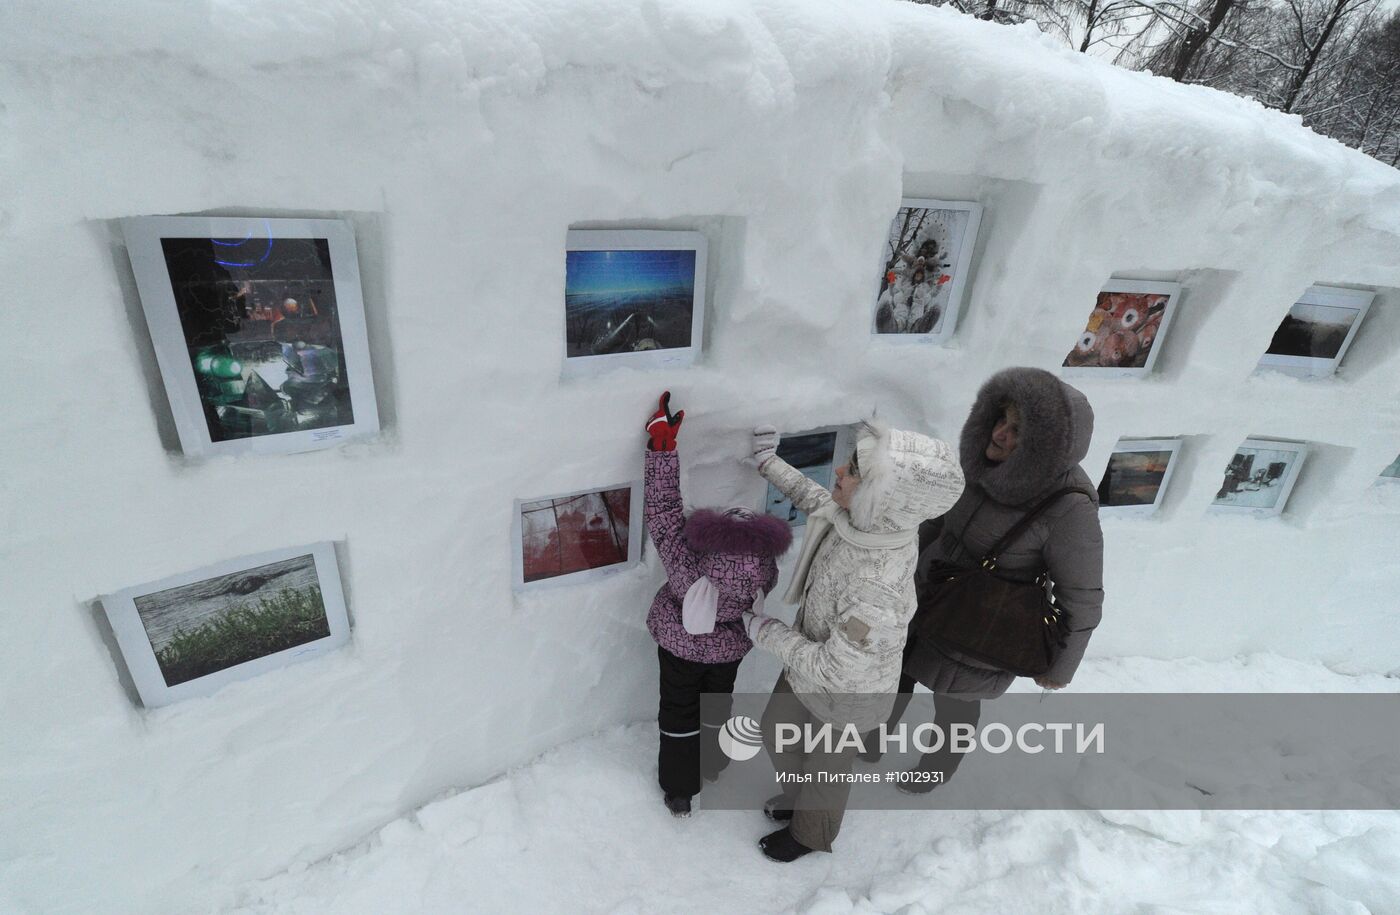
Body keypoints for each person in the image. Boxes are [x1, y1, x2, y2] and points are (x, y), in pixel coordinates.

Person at [742, 420, 964, 861]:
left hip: (848, 691)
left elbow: (835, 668)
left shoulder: (877, 584)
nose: (840, 471)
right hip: (811, 660)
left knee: (826, 768)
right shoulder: (860, 522)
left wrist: (764, 631)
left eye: (856, 471)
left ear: (883, 500)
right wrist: (768, 462)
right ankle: (801, 800)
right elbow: (817, 499)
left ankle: (809, 834)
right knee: (777, 732)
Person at [879, 366, 1104, 787]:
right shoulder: (981, 465)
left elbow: (1082, 597)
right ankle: (872, 738)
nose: (1000, 434)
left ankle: (936, 770)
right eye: (1000, 419)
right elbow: (939, 523)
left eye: (1017, 431)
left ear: (1046, 446)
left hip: (982, 621)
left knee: (956, 702)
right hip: (927, 592)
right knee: (894, 673)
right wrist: (902, 570)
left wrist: (1060, 667)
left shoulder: (1069, 507)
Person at [642, 393, 793, 818]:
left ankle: (679, 788)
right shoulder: (763, 571)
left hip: (681, 645)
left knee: (678, 710)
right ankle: (714, 763)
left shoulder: (689, 570)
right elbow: (769, 582)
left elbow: (663, 514)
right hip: (728, 650)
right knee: (716, 705)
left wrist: (662, 448)